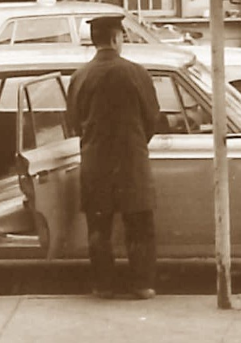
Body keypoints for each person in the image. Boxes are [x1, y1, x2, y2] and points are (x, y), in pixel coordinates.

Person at [65, 15, 161, 300]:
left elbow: (73, 120)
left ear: (95, 41)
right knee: (140, 225)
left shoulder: (79, 76)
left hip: (95, 162)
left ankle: (103, 285)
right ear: (117, 38)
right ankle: (142, 284)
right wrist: (135, 141)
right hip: (132, 160)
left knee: (99, 227)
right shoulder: (137, 73)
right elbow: (152, 118)